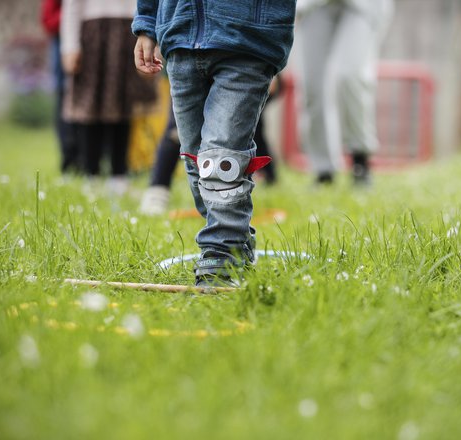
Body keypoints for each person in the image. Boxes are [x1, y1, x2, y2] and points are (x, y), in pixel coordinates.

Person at [132, 1, 296, 286]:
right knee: (196, 159)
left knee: (221, 158)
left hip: (247, 41)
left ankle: (222, 251)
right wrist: (147, 23)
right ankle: (236, 243)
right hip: (180, 40)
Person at [139, 76, 281, 216]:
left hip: (239, 67)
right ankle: (157, 190)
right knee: (177, 131)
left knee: (249, 127)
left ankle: (264, 180)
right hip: (189, 62)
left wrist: (273, 74)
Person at [60, 0, 157, 194]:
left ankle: (119, 175)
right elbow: (71, 7)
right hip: (92, 34)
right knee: (91, 104)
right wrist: (70, 47)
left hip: (129, 30)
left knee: (124, 104)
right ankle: (91, 174)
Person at [296, 0, 395, 185]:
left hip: (363, 6)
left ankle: (360, 158)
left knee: (350, 76)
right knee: (313, 86)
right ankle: (323, 169)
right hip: (313, 6)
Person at [40, 0, 80, 173]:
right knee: (64, 101)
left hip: (92, 38)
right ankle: (69, 159)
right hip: (62, 42)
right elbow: (48, 19)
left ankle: (88, 158)